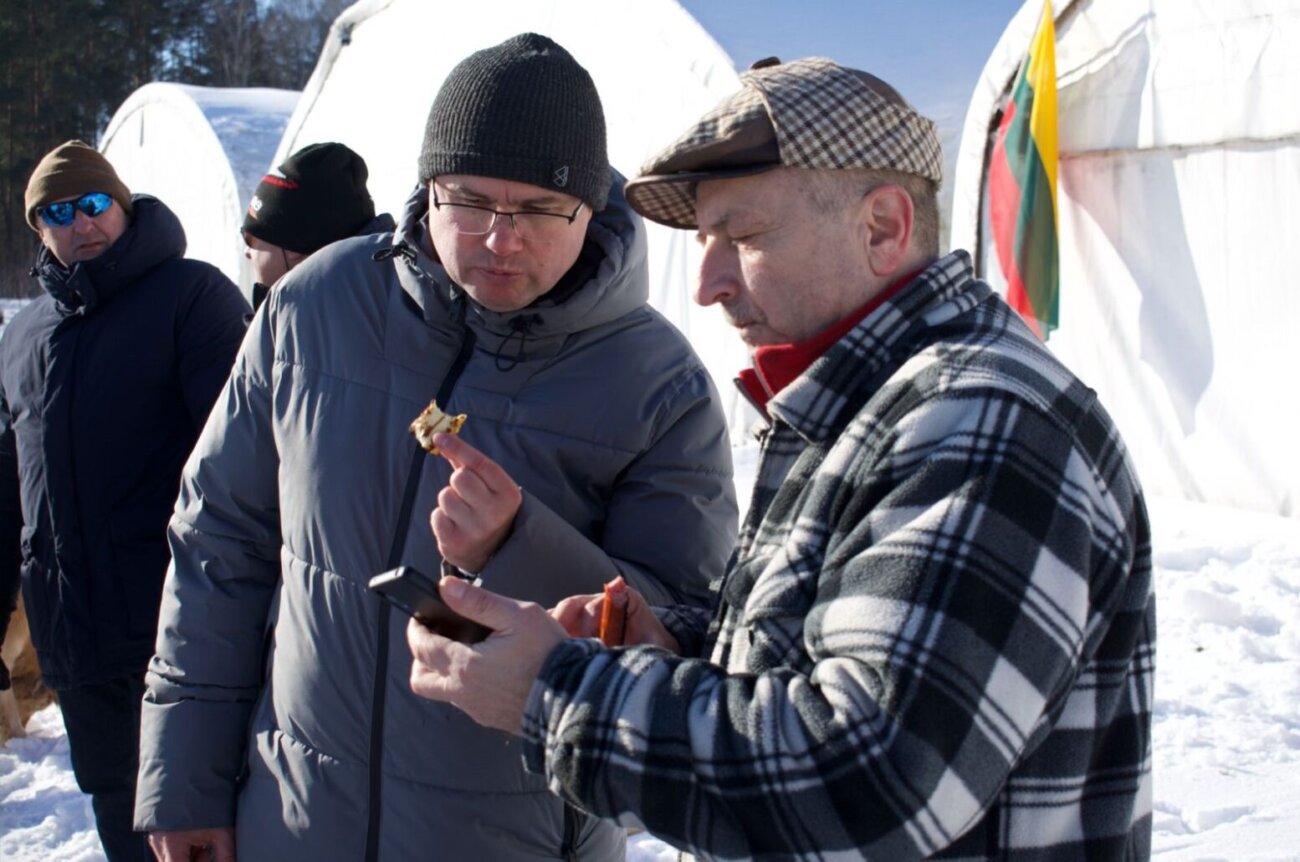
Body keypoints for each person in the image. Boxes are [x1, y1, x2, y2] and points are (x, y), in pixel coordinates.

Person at [406, 57, 1157, 860]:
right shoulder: (866, 405)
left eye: (743, 237)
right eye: (704, 241)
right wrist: (676, 649)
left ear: (882, 227)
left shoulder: (981, 421)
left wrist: (553, 691)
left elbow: (864, 781)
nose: (707, 284)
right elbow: (827, 663)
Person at [134, 33, 737, 862]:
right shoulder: (315, 307)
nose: (499, 238)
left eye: (538, 209)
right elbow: (220, 540)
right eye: (470, 200)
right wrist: (186, 775)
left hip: (512, 839)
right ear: (427, 188)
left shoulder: (659, 386)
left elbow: (678, 635)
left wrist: (516, 547)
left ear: (591, 207)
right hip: (294, 814)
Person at [0, 140, 249, 862]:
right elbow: (11, 492)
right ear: (39, 229)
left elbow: (245, 464)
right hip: (78, 645)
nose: (81, 223)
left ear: (123, 205)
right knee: (123, 822)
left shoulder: (191, 297)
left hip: (181, 638)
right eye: (57, 213)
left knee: (210, 826)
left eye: (93, 204)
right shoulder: (24, 336)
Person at [241, 141, 395, 310]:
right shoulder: (376, 297)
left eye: (250, 239)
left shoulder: (331, 319)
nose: (247, 252)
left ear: (293, 246)